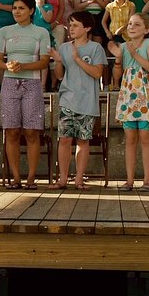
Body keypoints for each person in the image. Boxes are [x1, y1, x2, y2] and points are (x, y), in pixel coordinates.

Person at [0, 0, 51, 190]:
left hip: (33, 83)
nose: (16, 11)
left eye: (21, 8)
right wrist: (8, 66)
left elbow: (44, 61)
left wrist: (23, 66)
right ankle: (16, 178)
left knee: (31, 131)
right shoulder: (4, 31)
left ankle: (31, 178)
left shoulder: (41, 32)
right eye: (14, 8)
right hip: (9, 83)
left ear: (31, 10)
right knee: (11, 131)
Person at [48, 12, 107, 190]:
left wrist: (77, 59)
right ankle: (63, 179)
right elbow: (59, 76)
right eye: (70, 25)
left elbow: (97, 73)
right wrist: (59, 61)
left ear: (87, 28)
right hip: (67, 99)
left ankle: (79, 179)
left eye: (75, 25)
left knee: (82, 140)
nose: (71, 28)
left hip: (87, 101)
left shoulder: (96, 48)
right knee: (64, 139)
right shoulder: (64, 47)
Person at [108, 13, 149, 191]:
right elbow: (117, 76)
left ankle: (147, 180)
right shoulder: (123, 46)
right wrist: (118, 59)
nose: (131, 27)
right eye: (130, 24)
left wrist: (135, 54)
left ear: (146, 30)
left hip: (145, 94)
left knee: (146, 138)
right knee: (130, 138)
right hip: (128, 95)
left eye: (137, 24)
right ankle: (129, 180)